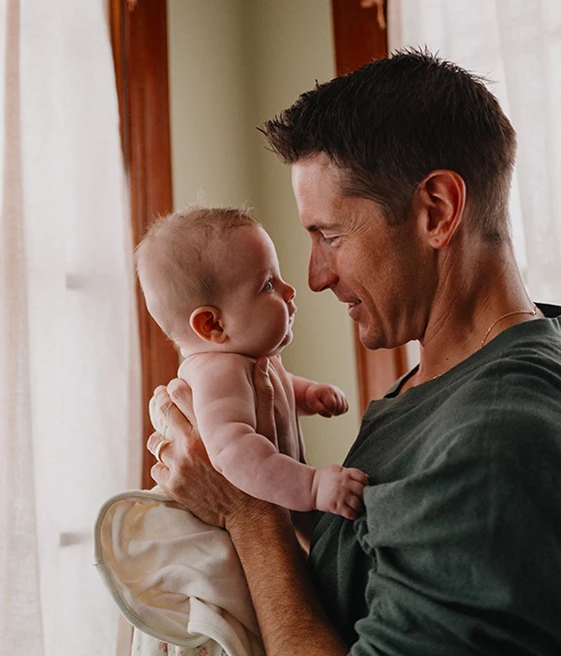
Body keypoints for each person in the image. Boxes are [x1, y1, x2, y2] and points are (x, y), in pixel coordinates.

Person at [146, 49, 561, 655]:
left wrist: (248, 514)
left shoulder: (491, 443)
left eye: (330, 236)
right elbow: (381, 568)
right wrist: (294, 491)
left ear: (436, 212)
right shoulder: (453, 378)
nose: (313, 278)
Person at [136, 206, 367, 519]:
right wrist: (313, 486)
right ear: (213, 325)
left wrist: (305, 394)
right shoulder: (216, 375)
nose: (290, 290)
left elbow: (267, 393)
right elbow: (233, 453)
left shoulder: (246, 361)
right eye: (268, 285)